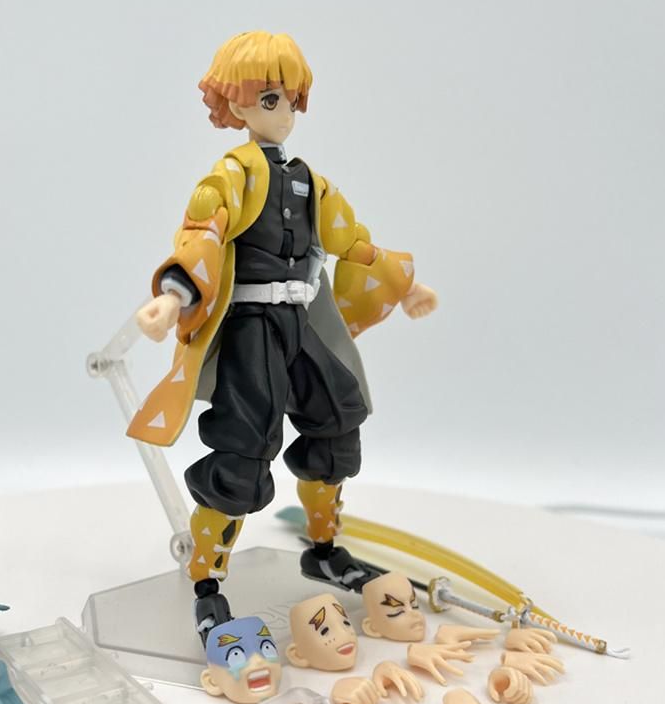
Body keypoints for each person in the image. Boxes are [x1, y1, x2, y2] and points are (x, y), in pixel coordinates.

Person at [128, 31, 438, 644]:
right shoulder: (230, 176)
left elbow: (351, 240)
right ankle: (207, 582)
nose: (285, 113)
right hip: (251, 327)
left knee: (338, 420)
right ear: (236, 104)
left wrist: (405, 285)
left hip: (300, 321)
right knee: (244, 449)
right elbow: (202, 236)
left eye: (291, 100)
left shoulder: (309, 182)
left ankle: (323, 549)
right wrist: (174, 294)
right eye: (271, 99)